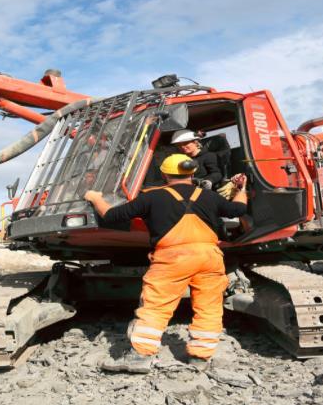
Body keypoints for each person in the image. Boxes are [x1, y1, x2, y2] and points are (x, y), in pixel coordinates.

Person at [83, 154, 248, 373]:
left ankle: (140, 356)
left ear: (163, 174)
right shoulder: (209, 196)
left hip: (173, 258)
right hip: (209, 256)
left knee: (156, 306)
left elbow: (112, 216)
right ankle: (200, 357)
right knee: (209, 307)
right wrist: (241, 190)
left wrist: (95, 198)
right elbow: (238, 210)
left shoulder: (152, 197)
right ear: (192, 173)